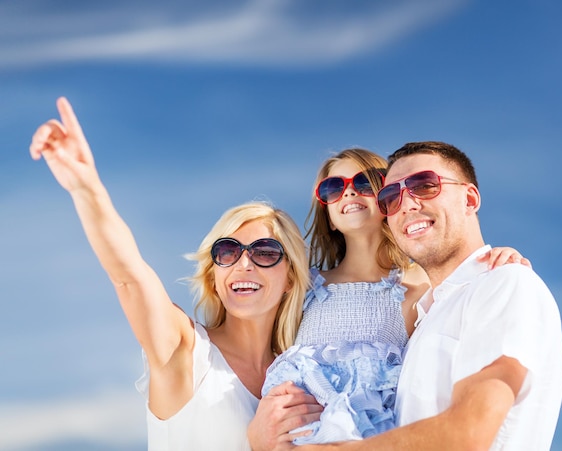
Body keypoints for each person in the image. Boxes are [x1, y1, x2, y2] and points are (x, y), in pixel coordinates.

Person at [29, 97, 319, 451]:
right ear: (214, 275)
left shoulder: (304, 376)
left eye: (264, 253)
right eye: (227, 252)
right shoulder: (186, 351)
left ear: (291, 278)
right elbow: (129, 277)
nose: (244, 263)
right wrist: (87, 189)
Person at [250, 148, 531, 448]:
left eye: (363, 183)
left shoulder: (419, 286)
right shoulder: (303, 287)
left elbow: (461, 290)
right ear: (329, 218)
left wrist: (496, 258)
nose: (347, 193)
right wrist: (256, 434)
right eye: (333, 189)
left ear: (389, 200)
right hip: (300, 432)